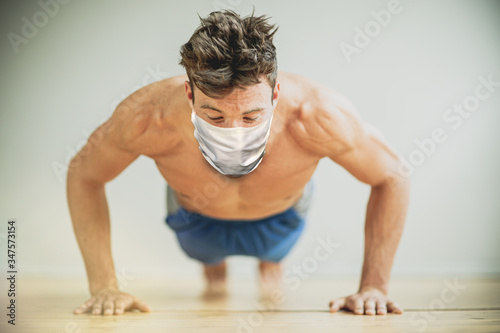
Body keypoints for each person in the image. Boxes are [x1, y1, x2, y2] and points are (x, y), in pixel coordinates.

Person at [67, 10, 409, 317]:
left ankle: (270, 261)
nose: (234, 132)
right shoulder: (147, 117)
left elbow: (392, 177)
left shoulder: (318, 116)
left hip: (280, 219)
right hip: (195, 219)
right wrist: (104, 286)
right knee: (211, 268)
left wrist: (374, 287)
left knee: (271, 262)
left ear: (275, 95)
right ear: (190, 94)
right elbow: (83, 174)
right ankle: (215, 267)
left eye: (251, 116)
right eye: (214, 115)